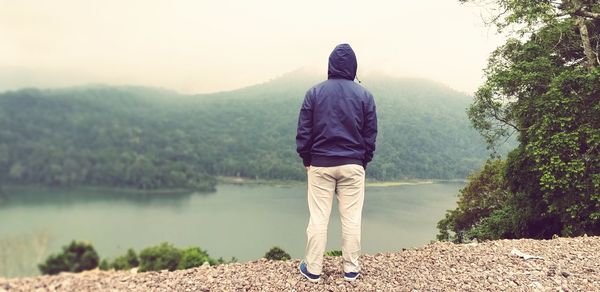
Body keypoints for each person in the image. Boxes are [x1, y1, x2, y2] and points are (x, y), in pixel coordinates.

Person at [295, 43, 378, 283]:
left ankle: (313, 269)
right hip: (353, 164)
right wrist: (363, 160)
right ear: (353, 67)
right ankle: (351, 270)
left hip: (320, 164)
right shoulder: (365, 95)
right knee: (351, 218)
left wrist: (307, 158)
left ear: (330, 65)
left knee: (319, 217)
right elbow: (370, 134)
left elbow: (304, 131)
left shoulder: (314, 93)